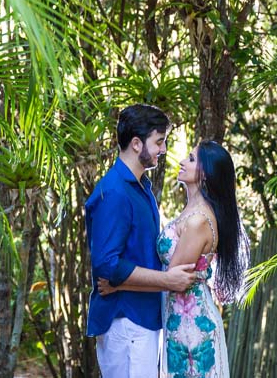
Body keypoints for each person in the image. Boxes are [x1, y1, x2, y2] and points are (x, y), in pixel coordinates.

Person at [100, 140, 250, 378]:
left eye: (191, 159)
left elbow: (171, 279)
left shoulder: (198, 221)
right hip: (179, 319)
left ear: (206, 174)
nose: (181, 161)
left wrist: (117, 284)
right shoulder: (190, 211)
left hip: (192, 324)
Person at [86, 104, 199, 378]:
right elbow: (107, 266)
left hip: (142, 320)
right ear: (136, 144)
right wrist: (167, 281)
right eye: (159, 141)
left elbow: (126, 264)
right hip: (126, 323)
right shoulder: (114, 192)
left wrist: (121, 281)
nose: (163, 149)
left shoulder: (141, 187)